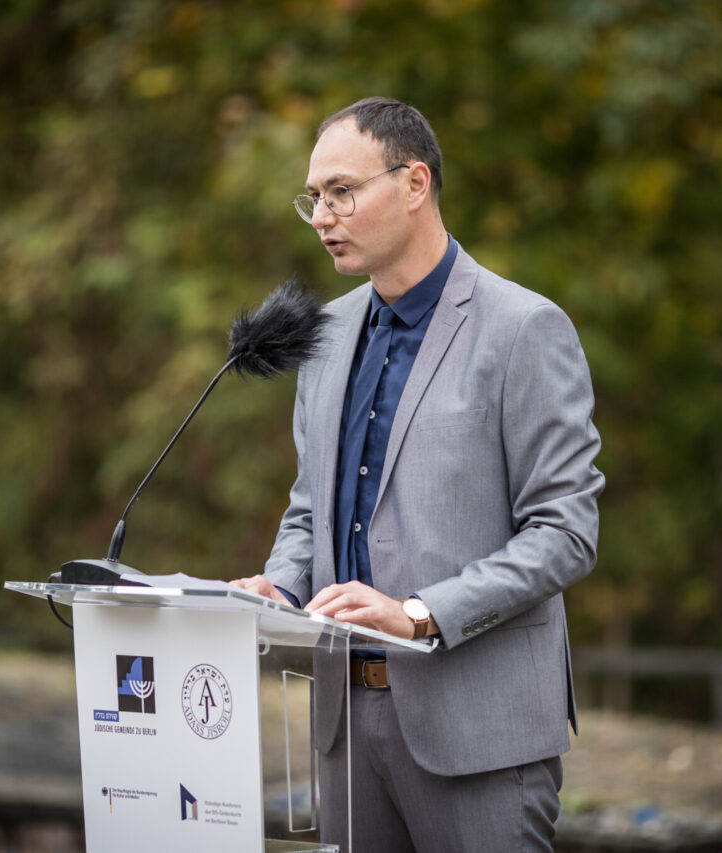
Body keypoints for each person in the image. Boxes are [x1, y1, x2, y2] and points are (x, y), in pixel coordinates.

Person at [231, 97, 604, 852]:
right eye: (314, 198)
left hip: (480, 736)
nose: (322, 216)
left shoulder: (525, 329)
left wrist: (421, 611)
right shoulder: (326, 336)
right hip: (343, 730)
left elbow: (566, 533)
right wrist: (282, 585)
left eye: (342, 192)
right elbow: (312, 510)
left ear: (414, 184)